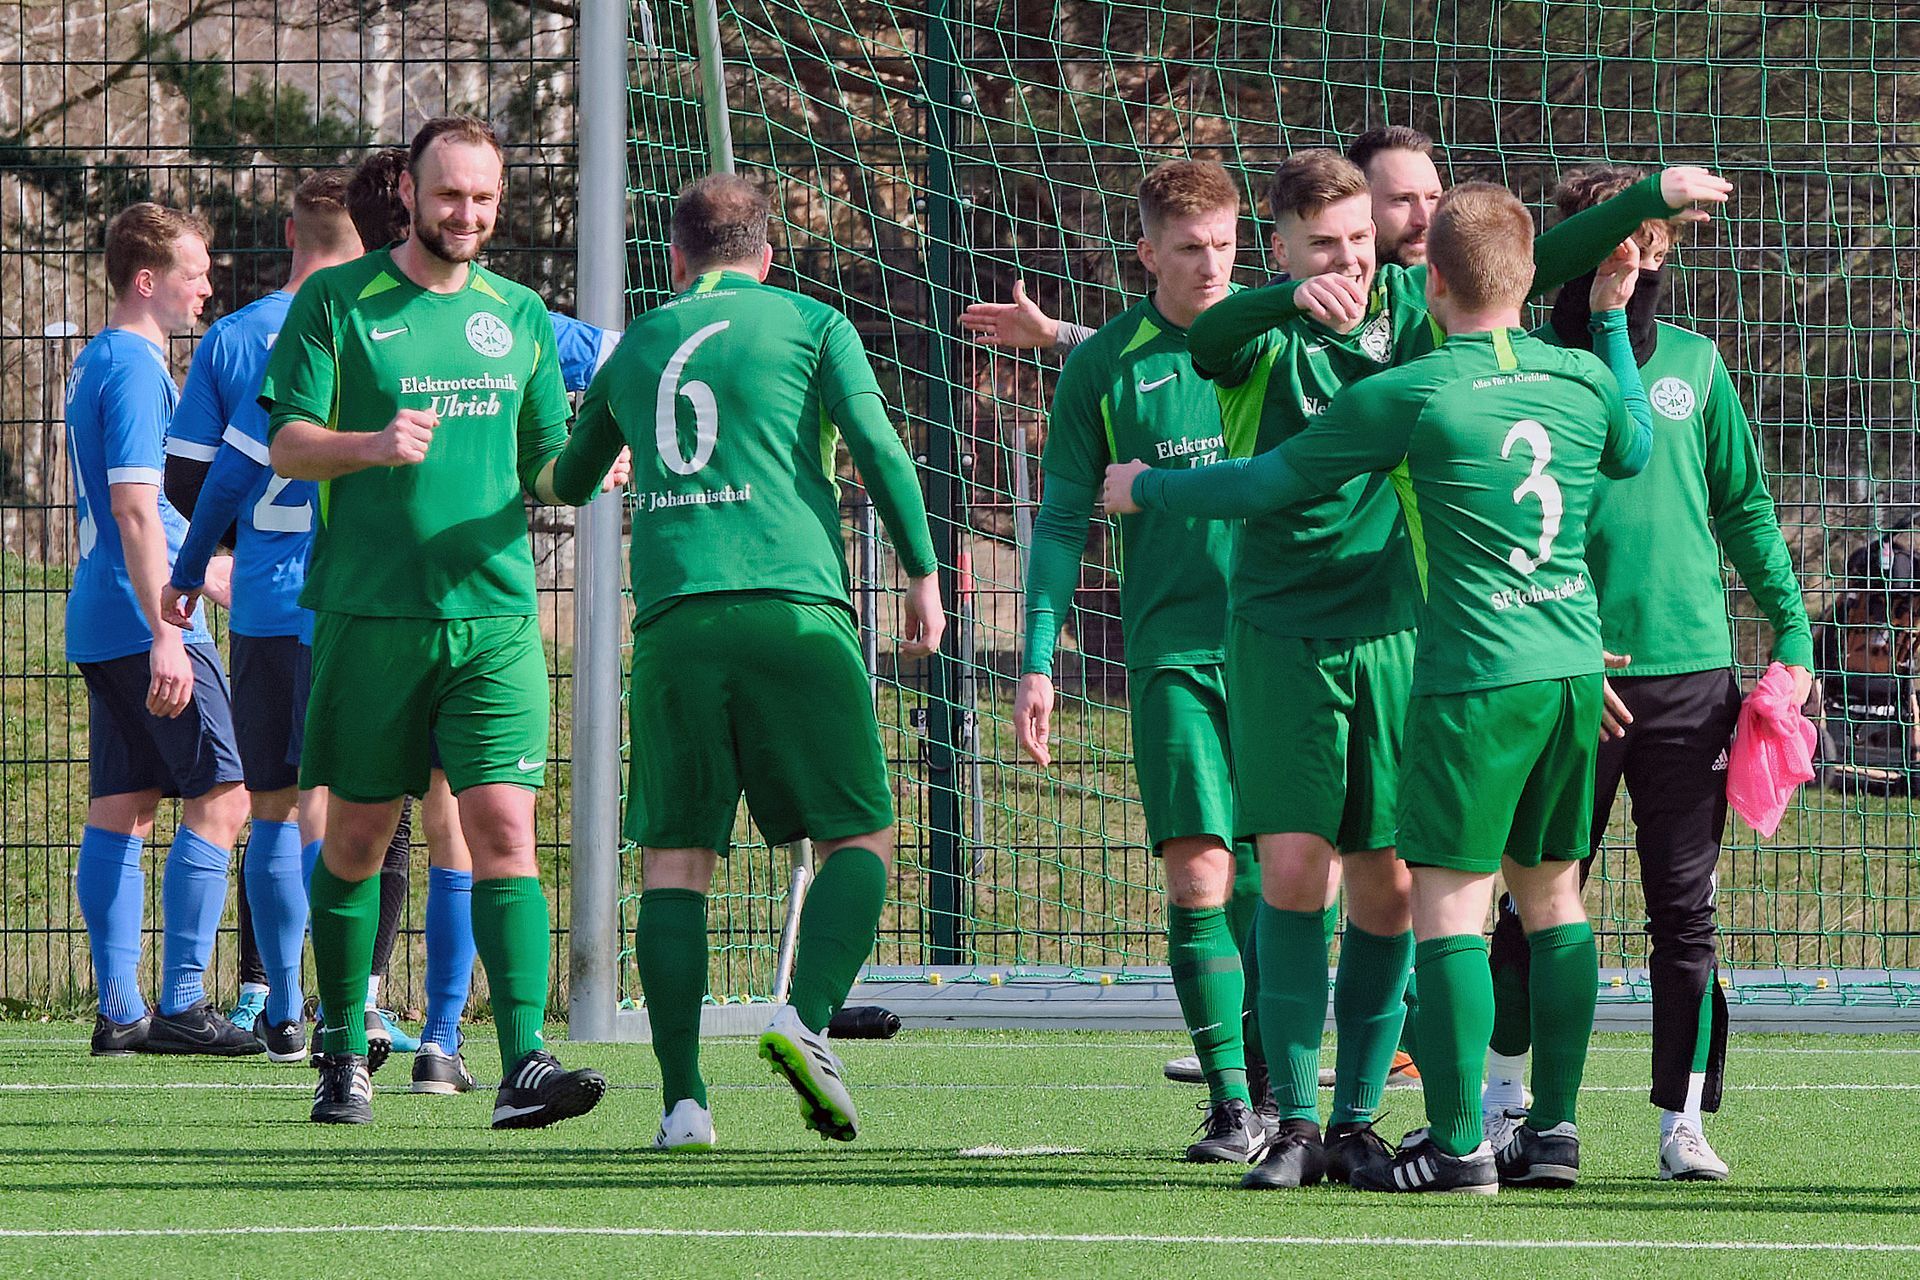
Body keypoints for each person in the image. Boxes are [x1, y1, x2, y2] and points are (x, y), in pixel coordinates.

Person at [1105, 180, 1668, 1193]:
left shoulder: (1416, 332)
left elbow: (1517, 258)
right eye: (1324, 244)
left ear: (1419, 267)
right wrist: (1287, 299)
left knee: (1403, 887)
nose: (1352, 259)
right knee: (1294, 874)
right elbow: (1215, 338)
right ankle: (1294, 1121)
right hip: (1286, 634)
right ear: (1280, 249)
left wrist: (1644, 198)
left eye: (1365, 237)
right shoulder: (1267, 332)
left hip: (1411, 637)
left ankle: (1370, 1123)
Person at [547, 172, 944, 1152]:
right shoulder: (813, 324)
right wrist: (924, 573)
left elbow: (569, 477)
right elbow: (878, 446)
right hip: (791, 606)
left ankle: (684, 1104)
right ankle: (804, 1018)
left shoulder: (638, 343)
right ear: (768, 254)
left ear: (675, 258)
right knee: (861, 836)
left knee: (676, 862)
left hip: (674, 623)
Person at [259, 115, 625, 1126]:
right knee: (358, 835)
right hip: (370, 615)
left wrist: (593, 460)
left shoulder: (519, 315)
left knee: (505, 827)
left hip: (495, 616)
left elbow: (545, 467)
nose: (467, 213)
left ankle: (523, 1064)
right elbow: (287, 443)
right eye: (450, 194)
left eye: (484, 198)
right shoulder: (338, 301)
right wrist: (372, 445)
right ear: (413, 195)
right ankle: (343, 1044)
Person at [1481, 164, 1814, 1182]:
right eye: (1610, 232)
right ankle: (1505, 1099)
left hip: (1691, 680)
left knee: (1686, 914)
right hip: (1564, 671)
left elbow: (1745, 507)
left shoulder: (1699, 367)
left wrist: (1794, 636)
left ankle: (1683, 1121)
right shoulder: (1527, 365)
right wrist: (1554, 640)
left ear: (1666, 248)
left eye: (1649, 234)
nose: (1631, 249)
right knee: (1535, 901)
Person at [1007, 158, 1272, 1165]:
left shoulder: (1282, 339)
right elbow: (1060, 521)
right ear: (1148, 252)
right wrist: (1038, 660)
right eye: (1190, 248)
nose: (1211, 265)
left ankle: (1285, 1091)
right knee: (1200, 873)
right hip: (1175, 655)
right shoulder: (1106, 365)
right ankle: (1231, 1104)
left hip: (1287, 646)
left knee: (1281, 880)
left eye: (1225, 245)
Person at [161, 172, 364, 1064]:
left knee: (274, 806)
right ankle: (348, 1010)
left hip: (262, 603)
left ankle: (282, 1009)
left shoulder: (234, 337)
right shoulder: (371, 323)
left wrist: (223, 557)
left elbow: (187, 479)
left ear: (289, 233)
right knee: (343, 807)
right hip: (351, 599)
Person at [66, 202, 259, 1057]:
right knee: (227, 795)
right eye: (195, 272)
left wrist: (209, 571)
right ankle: (182, 1004)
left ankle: (120, 1011)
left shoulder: (98, 361)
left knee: (124, 805)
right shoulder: (138, 369)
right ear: (147, 280)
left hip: (101, 614)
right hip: (145, 619)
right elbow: (136, 509)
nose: (208, 287)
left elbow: (142, 516)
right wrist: (170, 631)